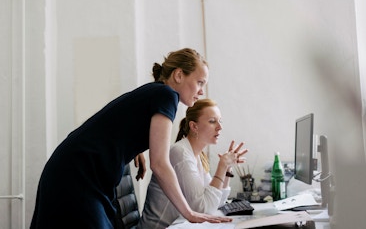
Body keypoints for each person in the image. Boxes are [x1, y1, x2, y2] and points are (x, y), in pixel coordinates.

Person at [30, 48, 233, 229]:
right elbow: (160, 164)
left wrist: (136, 149)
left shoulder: (156, 92)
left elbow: (120, 123)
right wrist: (190, 213)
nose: (201, 91)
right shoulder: (167, 95)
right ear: (179, 75)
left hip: (76, 168)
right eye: (199, 82)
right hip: (79, 173)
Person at [138, 99, 248, 229]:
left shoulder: (197, 155)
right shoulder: (180, 154)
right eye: (212, 121)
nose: (220, 127)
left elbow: (216, 203)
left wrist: (227, 169)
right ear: (194, 126)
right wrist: (221, 166)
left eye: (220, 121)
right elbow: (202, 210)